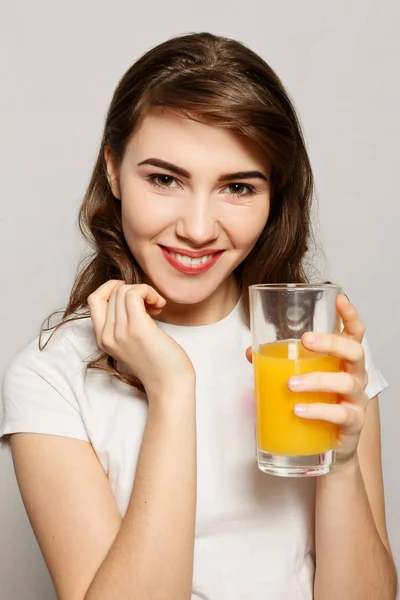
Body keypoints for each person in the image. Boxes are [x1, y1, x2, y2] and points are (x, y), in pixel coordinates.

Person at [0, 31, 397, 600]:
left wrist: (340, 456)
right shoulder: (51, 377)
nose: (198, 227)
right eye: (165, 179)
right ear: (113, 169)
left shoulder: (320, 353)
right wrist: (172, 389)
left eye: (237, 187)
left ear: (273, 198)